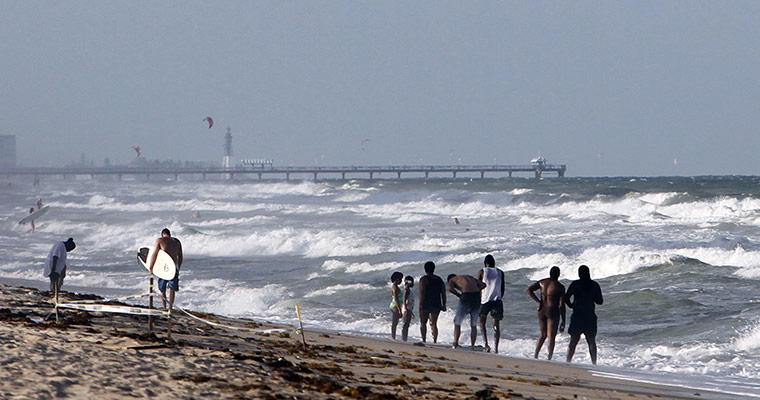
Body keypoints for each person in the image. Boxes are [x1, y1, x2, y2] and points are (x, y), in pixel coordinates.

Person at [564, 265, 604, 364]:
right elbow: (600, 301)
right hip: (590, 315)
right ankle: (594, 363)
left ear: (579, 274)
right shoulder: (594, 285)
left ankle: (568, 361)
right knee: (591, 341)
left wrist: (571, 306)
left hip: (577, 315)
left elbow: (566, 298)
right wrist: (591, 297)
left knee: (573, 342)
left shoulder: (575, 284)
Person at [527, 266, 566, 360]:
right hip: (552, 311)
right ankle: (549, 357)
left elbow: (529, 290)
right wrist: (563, 320)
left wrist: (538, 301)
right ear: (558, 275)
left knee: (542, 334)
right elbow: (561, 305)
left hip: (542, 310)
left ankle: (535, 355)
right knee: (551, 336)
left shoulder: (542, 282)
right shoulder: (560, 287)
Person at [447, 274, 486, 349]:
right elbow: (483, 285)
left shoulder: (452, 280)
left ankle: (455, 344)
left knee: (457, 322)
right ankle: (472, 346)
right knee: (473, 324)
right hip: (477, 296)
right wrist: (476, 290)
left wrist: (458, 295)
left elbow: (450, 289)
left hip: (466, 296)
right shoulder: (469, 277)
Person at [149, 228, 183, 312]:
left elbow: (155, 254)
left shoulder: (160, 240)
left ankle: (164, 307)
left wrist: (151, 267)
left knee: (162, 289)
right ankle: (170, 308)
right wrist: (178, 267)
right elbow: (180, 256)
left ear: (162, 234)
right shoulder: (177, 241)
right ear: (170, 234)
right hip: (173, 267)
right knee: (172, 288)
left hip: (163, 268)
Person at [477, 254, 505, 353]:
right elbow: (502, 288)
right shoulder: (500, 272)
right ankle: (496, 348)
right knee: (496, 324)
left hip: (485, 300)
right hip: (497, 300)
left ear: (485, 263)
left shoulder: (482, 271)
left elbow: (478, 286)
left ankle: (486, 345)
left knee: (482, 323)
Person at [418, 261, 447, 343]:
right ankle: (435, 341)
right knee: (434, 323)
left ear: (425, 269)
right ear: (434, 269)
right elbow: (443, 293)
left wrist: (420, 304)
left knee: (423, 323)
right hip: (436, 303)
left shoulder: (423, 279)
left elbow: (422, 292)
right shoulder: (439, 279)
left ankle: (424, 340)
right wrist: (444, 304)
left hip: (426, 303)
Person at [44, 238, 76, 302]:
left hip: (57, 269)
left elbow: (62, 261)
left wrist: (63, 271)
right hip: (53, 267)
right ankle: (54, 295)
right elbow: (55, 256)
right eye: (70, 249)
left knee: (58, 282)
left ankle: (55, 294)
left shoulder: (62, 247)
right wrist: (53, 269)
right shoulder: (60, 245)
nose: (69, 251)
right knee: (54, 282)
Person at [389, 271, 403, 340]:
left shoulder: (395, 287)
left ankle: (393, 336)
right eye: (400, 279)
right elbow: (396, 299)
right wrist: (400, 310)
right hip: (395, 306)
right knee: (394, 323)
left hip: (395, 305)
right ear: (397, 279)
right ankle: (393, 337)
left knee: (395, 322)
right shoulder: (395, 288)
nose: (401, 281)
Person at [401, 275, 415, 342]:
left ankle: (404, 338)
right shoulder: (407, 289)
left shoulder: (407, 289)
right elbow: (404, 299)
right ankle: (404, 338)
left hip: (408, 308)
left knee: (406, 324)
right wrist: (406, 308)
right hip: (407, 308)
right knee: (405, 324)